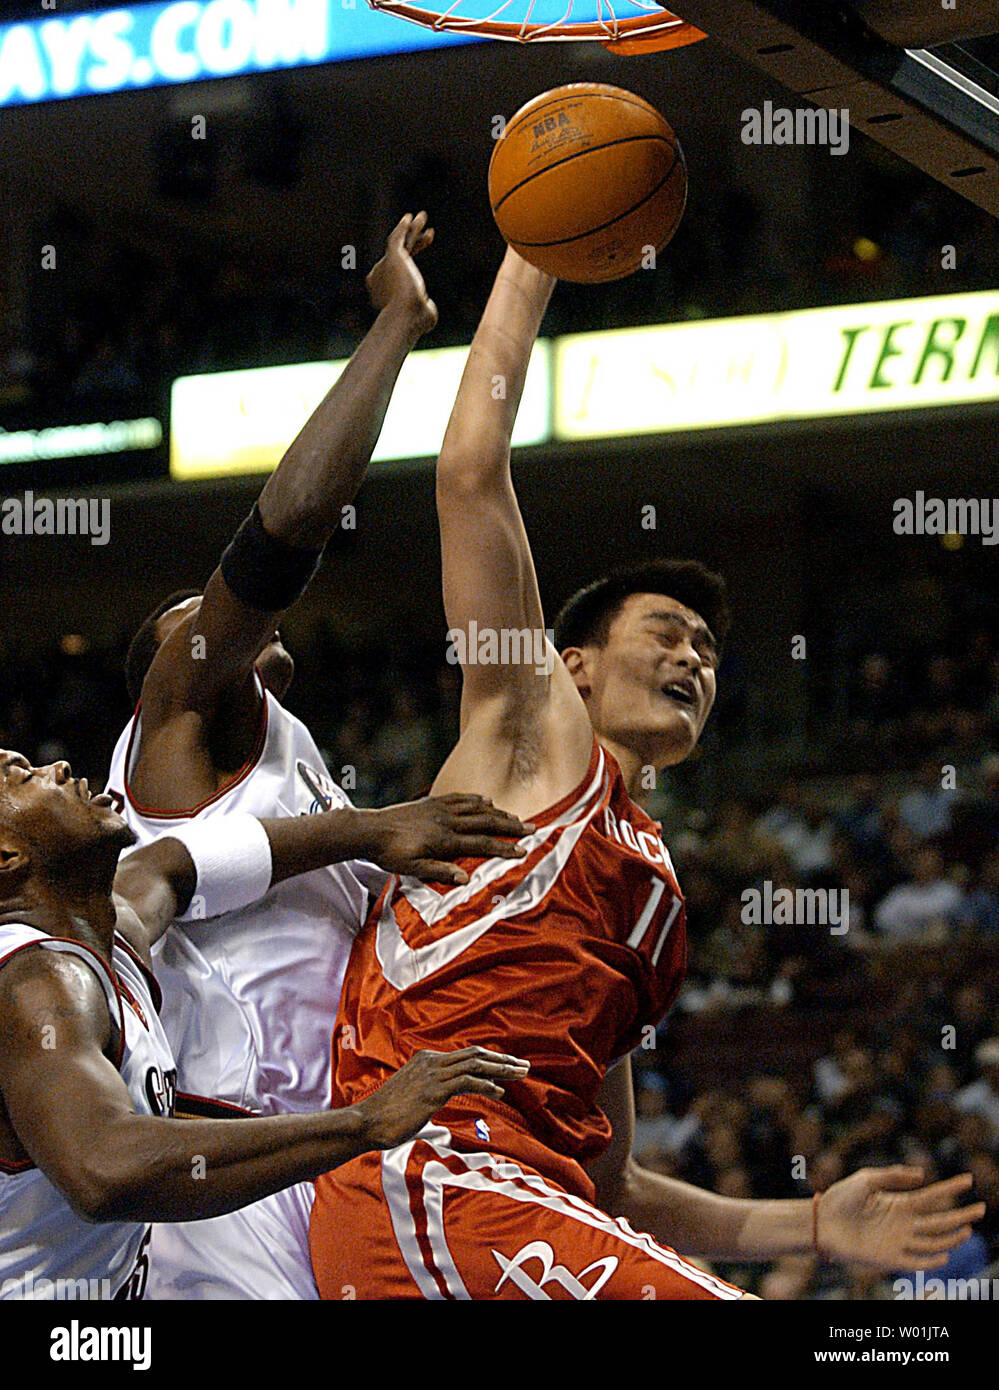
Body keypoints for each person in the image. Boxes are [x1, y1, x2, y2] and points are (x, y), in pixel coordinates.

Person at [308, 249, 984, 1300]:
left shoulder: (655, 890)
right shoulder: (529, 729)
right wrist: (535, 253)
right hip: (432, 1181)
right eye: (667, 633)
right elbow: (470, 471)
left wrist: (808, 1219)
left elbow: (610, 1174)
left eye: (710, 653)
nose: (693, 661)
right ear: (570, 665)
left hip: (525, 1206)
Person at [106, 213, 533, 1297]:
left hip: (336, 1150)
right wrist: (399, 322)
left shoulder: (300, 768)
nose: (214, 623)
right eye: (188, 618)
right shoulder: (178, 727)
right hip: (222, 1155)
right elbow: (287, 524)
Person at [0, 749, 529, 1299]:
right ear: (6, 857)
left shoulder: (109, 934)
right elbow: (104, 1171)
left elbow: (173, 865)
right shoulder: (37, 983)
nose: (58, 766)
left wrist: (370, 829)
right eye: (23, 776)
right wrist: (363, 1123)